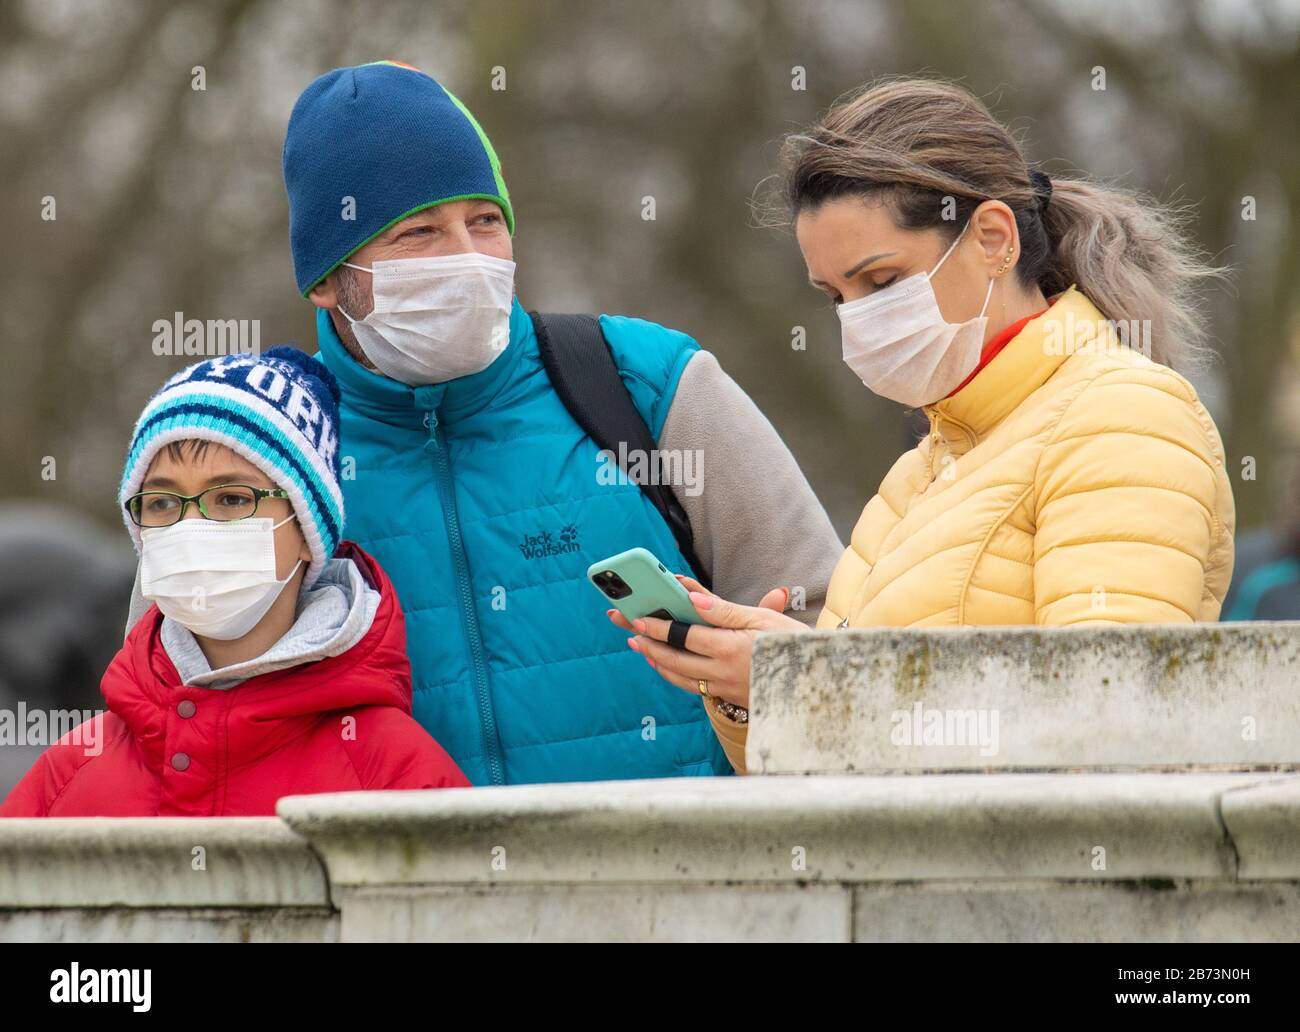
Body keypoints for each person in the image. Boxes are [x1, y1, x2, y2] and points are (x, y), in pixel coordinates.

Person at [122, 59, 843, 786]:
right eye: (419, 234)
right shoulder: (256, 450)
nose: (469, 260)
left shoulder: (643, 384)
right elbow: (160, 715)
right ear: (325, 280)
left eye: (485, 222)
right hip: (391, 895)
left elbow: (830, 630)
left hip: (681, 887)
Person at [617, 77, 1236, 773]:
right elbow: (834, 768)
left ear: (994, 238)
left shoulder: (1124, 417)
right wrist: (761, 687)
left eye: (880, 282)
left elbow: (1105, 722)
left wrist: (814, 684)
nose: (856, 320)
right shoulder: (919, 470)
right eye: (835, 297)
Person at [3, 348, 468, 817]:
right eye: (163, 503)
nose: (191, 525)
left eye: (230, 497)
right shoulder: (69, 774)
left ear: (308, 531)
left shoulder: (395, 774)